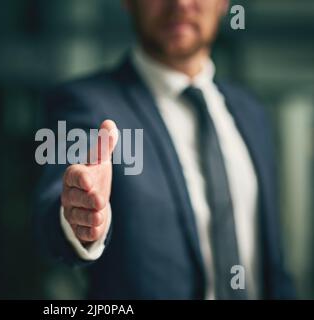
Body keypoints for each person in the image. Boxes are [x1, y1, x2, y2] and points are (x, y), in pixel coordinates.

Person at [34, 0, 295, 299]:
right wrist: (78, 218)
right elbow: (52, 207)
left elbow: (273, 264)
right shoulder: (84, 104)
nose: (181, 3)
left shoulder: (252, 113)